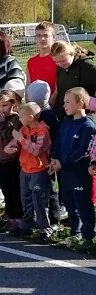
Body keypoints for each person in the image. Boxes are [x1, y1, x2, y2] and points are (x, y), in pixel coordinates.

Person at [50, 87, 96, 245]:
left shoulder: (88, 126)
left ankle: (88, 236)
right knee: (69, 203)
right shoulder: (66, 122)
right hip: (64, 172)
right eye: (64, 102)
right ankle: (75, 232)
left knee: (83, 204)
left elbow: (84, 151)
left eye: (68, 102)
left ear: (81, 103)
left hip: (79, 173)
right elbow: (58, 141)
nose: (64, 105)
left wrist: (64, 162)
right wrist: (55, 158)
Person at [5, 102, 54, 242]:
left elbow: (36, 150)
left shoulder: (42, 131)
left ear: (31, 117)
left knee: (39, 200)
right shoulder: (24, 129)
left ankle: (44, 228)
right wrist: (11, 147)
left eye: (21, 116)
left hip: (38, 171)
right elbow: (13, 143)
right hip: (25, 170)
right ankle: (27, 223)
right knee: (25, 198)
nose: (19, 119)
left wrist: (21, 139)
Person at [26, 80, 61, 225]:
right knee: (46, 188)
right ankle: (48, 218)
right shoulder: (49, 113)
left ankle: (53, 219)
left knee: (49, 189)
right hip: (44, 155)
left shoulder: (45, 116)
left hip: (46, 156)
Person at [0, 90, 23, 227]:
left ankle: (17, 217)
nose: (1, 109)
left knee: (14, 190)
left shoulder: (16, 120)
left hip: (12, 160)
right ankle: (9, 215)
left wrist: (3, 125)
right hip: (0, 159)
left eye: (4, 105)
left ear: (12, 104)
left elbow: (10, 139)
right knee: (5, 190)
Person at [50, 41, 96, 120]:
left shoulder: (88, 66)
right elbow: (60, 90)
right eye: (56, 62)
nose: (60, 64)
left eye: (63, 61)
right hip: (64, 116)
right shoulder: (60, 68)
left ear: (71, 54)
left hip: (82, 118)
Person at [27, 22, 57, 102]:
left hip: (55, 106)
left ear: (53, 38)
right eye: (39, 36)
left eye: (46, 35)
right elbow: (28, 86)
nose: (42, 39)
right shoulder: (31, 61)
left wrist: (48, 105)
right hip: (35, 108)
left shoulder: (58, 59)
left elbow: (59, 88)